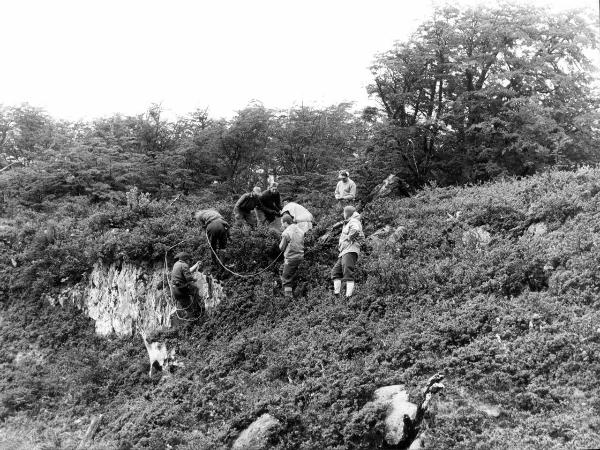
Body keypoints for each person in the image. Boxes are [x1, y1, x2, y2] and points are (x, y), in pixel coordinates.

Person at [331, 205, 364, 299]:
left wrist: (349, 237)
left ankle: (348, 297)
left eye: (344, 212)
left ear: (347, 213)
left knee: (348, 273)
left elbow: (356, 230)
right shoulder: (348, 222)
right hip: (344, 251)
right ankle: (337, 295)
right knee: (335, 272)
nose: (343, 214)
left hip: (350, 249)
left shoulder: (353, 221)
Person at [279, 214, 305, 297]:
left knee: (286, 277)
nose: (282, 225)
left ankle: (288, 298)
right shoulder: (300, 230)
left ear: (286, 223)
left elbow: (281, 247)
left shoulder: (286, 232)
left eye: (282, 223)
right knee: (281, 270)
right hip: (300, 256)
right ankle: (289, 289)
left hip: (291, 258)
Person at [171, 252, 202, 317]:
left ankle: (190, 318)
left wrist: (196, 265)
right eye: (188, 259)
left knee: (186, 307)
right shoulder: (184, 265)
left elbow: (188, 271)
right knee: (196, 290)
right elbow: (188, 278)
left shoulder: (176, 264)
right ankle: (199, 309)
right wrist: (194, 279)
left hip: (175, 290)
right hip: (182, 289)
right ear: (185, 259)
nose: (188, 260)